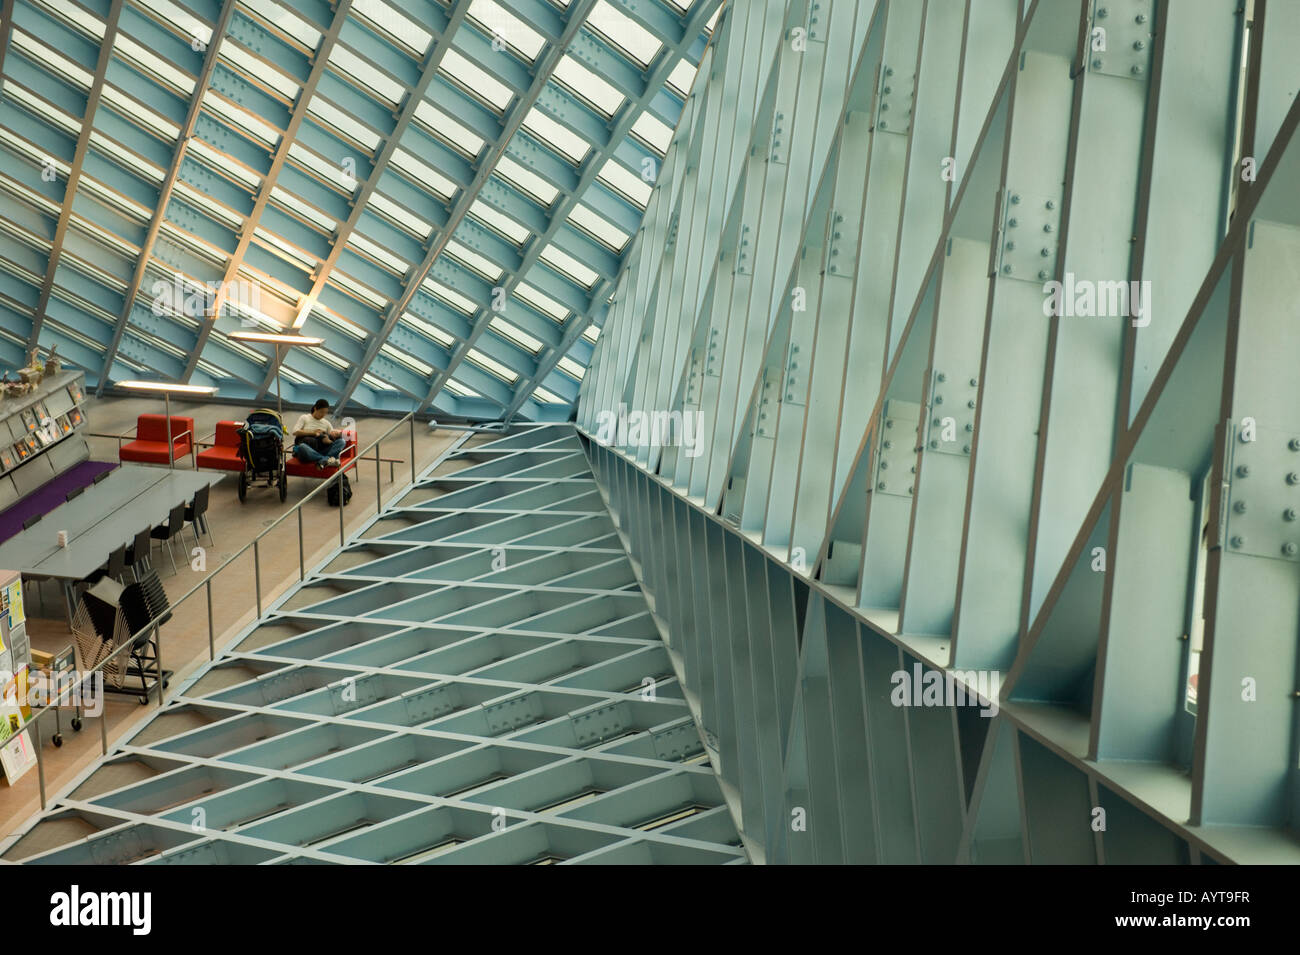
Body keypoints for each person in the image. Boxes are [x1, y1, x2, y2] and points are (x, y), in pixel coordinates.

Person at [291, 399, 345, 468]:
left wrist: (331, 438)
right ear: (315, 408)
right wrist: (313, 433)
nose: (323, 415)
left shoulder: (326, 423)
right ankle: (325, 459)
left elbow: (331, 435)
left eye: (325, 413)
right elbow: (295, 431)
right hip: (308, 451)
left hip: (321, 450)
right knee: (302, 447)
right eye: (321, 412)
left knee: (341, 441)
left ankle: (323, 459)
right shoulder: (305, 418)